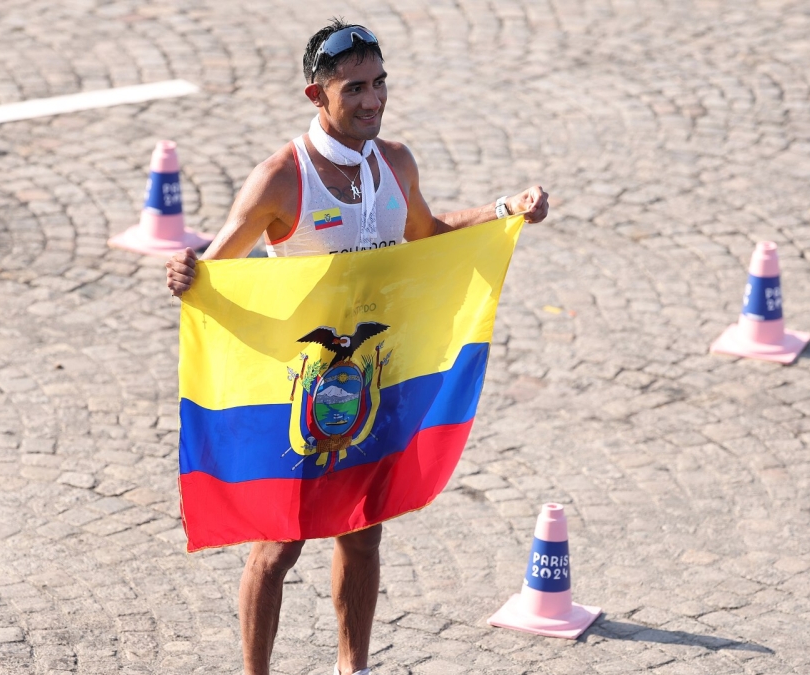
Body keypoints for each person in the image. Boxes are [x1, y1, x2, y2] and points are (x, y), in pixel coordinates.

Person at [165, 19, 550, 675]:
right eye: (354, 89)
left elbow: (427, 232)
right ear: (316, 96)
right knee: (279, 547)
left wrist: (501, 209)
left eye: (379, 84)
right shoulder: (280, 179)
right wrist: (186, 272)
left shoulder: (395, 162)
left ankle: (355, 667)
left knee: (364, 529)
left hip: (372, 382)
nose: (372, 100)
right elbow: (217, 268)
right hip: (299, 396)